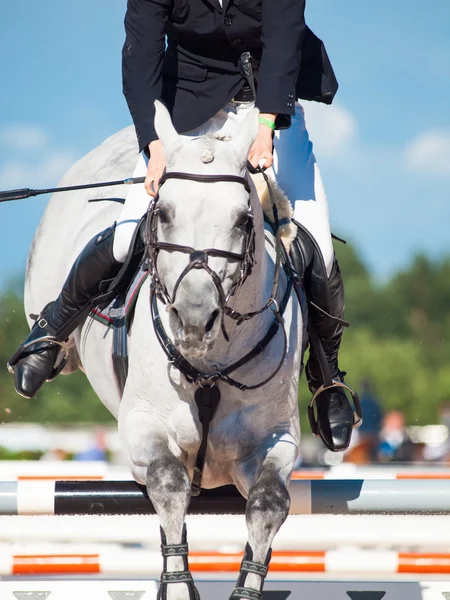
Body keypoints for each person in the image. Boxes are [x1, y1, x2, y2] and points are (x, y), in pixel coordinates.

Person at [8, 0, 357, 452]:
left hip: (269, 108)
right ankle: (53, 329)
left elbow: (284, 39)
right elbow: (140, 54)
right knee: (127, 233)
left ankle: (327, 378)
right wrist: (152, 144)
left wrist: (268, 126)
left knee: (316, 248)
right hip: (186, 112)